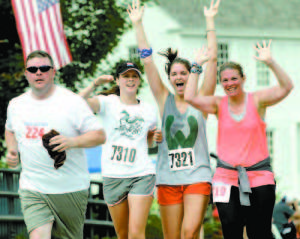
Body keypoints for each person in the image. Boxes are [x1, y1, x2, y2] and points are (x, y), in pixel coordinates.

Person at [127, 0, 220, 238]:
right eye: (174, 74)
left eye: (184, 73)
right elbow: (147, 61)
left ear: (191, 76)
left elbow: (213, 62)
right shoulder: (163, 98)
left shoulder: (201, 100)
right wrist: (138, 24)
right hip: (167, 179)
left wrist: (210, 21)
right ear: (169, 78)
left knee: (189, 233)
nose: (179, 77)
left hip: (197, 176)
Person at [184, 40, 294, 239]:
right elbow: (190, 97)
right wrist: (196, 66)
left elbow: (287, 87)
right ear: (221, 83)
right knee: (230, 226)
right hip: (225, 177)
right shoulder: (218, 104)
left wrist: (270, 62)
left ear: (243, 79)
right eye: (225, 80)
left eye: (234, 78)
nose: (230, 83)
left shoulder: (258, 100)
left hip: (259, 176)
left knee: (258, 231)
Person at [5, 50, 106, 239]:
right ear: (26, 73)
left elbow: (99, 135)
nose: (38, 73)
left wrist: (72, 141)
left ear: (53, 72)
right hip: (33, 187)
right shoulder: (16, 105)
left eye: (44, 68)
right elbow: (10, 129)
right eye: (33, 69)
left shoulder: (72, 102)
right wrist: (12, 150)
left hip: (70, 188)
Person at [79, 61, 161, 239]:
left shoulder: (148, 110)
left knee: (136, 233)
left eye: (134, 76)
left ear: (139, 81)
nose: (130, 80)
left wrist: (155, 139)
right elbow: (77, 103)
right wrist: (95, 84)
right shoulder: (108, 103)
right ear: (117, 80)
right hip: (113, 175)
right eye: (126, 76)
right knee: (122, 234)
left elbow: (149, 144)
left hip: (142, 173)